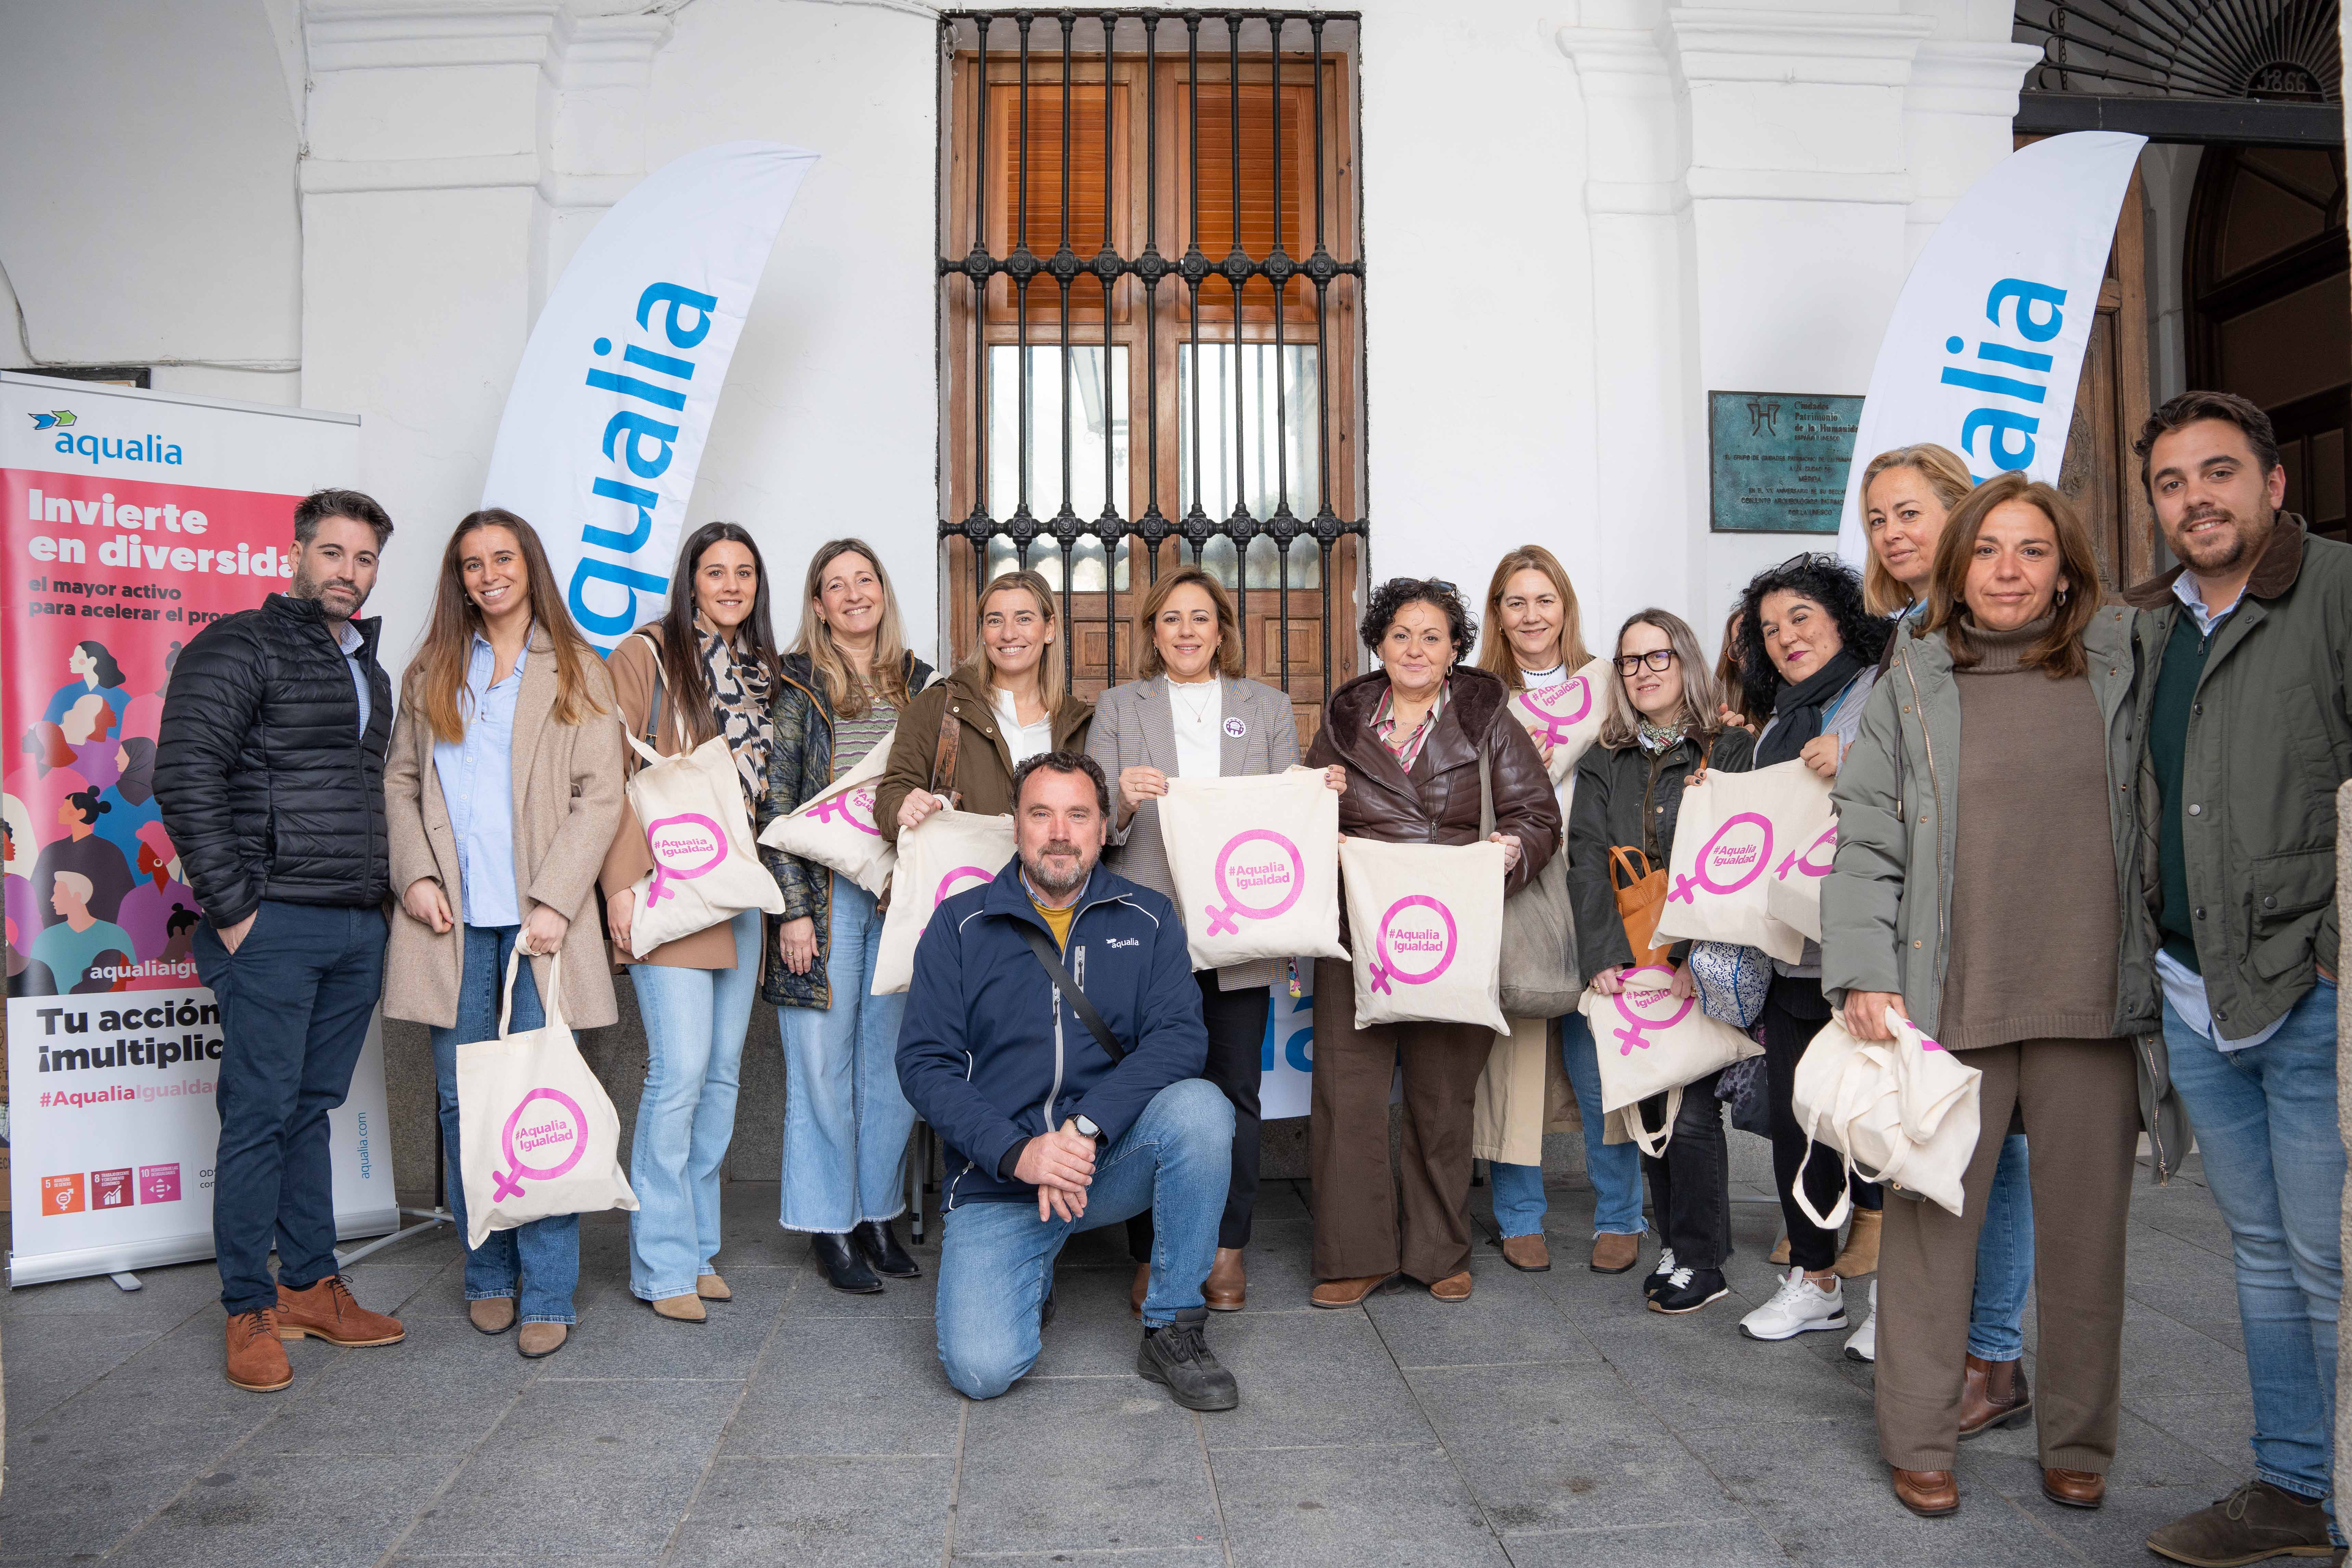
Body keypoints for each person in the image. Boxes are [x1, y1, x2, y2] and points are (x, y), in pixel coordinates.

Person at [1823, 471, 2172, 1519]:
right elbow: (1866, 838)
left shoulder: (2122, 662)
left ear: (2064, 566)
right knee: (1932, 1242)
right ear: (1954, 566)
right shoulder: (1913, 677)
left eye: (2029, 550)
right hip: (1950, 1000)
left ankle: (2077, 1438)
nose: (2006, 571)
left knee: (2082, 1245)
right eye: (1985, 551)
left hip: (2091, 1004)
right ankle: (1918, 1437)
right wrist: (1863, 971)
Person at [2122, 393, 2352, 1568]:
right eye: (2170, 481)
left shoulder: (2336, 592)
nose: (2194, 497)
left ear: (2271, 482)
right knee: (2260, 1250)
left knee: (2329, 1255)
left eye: (2218, 472)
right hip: (2191, 983)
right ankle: (2291, 1485)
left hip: (2308, 984)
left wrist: (2332, 956)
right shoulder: (2148, 623)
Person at [154, 487, 406, 1392]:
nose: (349, 571)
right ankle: (246, 1305)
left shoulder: (370, 673)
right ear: (298, 554)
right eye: (334, 553)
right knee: (259, 1112)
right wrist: (234, 908)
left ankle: (308, 1282)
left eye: (365, 558)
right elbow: (184, 772)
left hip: (352, 921)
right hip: (272, 920)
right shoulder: (239, 643)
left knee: (310, 1108)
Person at [897, 750, 1239, 1410]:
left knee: (1201, 1111)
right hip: (1000, 1178)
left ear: (1104, 826)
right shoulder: (959, 925)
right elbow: (923, 1063)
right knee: (981, 1369)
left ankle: (1172, 1323)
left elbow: (1180, 1037)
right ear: (1016, 826)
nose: (1059, 831)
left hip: (1101, 1161)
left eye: (1077, 814)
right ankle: (1032, 1269)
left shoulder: (1149, 917)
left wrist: (1085, 1128)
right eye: (1041, 814)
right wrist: (1018, 1151)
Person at [384, 509, 622, 1360]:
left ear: (530, 566)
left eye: (503, 558)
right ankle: (488, 1274)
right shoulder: (432, 671)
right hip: (451, 921)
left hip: (538, 925)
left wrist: (558, 897)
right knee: (461, 1100)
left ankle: (549, 1287)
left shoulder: (579, 671)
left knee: (537, 1106)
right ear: (458, 578)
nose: (488, 574)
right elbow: (403, 780)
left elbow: (603, 795)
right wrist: (413, 873)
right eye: (472, 563)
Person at [1088, 565, 1344, 1314]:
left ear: (1222, 628)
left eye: (1200, 617)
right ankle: (1153, 1251)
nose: (1187, 630)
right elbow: (1095, 828)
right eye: (1171, 618)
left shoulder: (1262, 706)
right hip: (1147, 934)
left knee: (1234, 1091)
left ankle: (1227, 1249)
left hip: (1241, 933)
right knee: (1147, 1093)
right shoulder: (1118, 707)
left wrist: (1312, 791)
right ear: (1153, 631)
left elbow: (1276, 807)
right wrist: (1121, 800)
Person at [1304, 578, 1560, 1307]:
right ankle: (1353, 1254)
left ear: (1455, 650)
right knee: (1346, 1100)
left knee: (1442, 1099)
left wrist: (1511, 853)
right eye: (1399, 635)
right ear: (1378, 645)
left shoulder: (1488, 720)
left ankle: (1437, 1250)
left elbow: (1537, 815)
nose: (1414, 648)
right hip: (1357, 933)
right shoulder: (1344, 722)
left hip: (1452, 931)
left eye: (1432, 636)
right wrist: (1317, 799)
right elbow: (1299, 819)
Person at [1859, 443, 2038, 1424]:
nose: (1892, 532)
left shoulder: (2000, 630)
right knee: (1947, 1136)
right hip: (1927, 928)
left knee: (1995, 1145)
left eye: (1909, 511)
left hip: (2001, 925)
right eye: (1878, 518)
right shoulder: (1906, 636)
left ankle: (1993, 1358)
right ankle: (1949, 1339)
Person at [599, 521, 783, 1324]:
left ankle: (700, 1246)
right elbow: (606, 771)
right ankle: (662, 1261)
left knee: (721, 1077)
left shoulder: (762, 670)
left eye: (745, 571)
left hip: (741, 890)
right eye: (716, 571)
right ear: (691, 580)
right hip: (670, 888)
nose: (732, 584)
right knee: (677, 1074)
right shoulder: (645, 653)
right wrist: (618, 887)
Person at [759, 539, 937, 1294]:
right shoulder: (795, 683)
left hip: (900, 899)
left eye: (865, 579)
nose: (854, 593)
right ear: (819, 604)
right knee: (821, 1072)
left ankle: (875, 1212)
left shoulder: (923, 685)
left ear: (882, 592)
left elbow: (943, 789)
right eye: (836, 584)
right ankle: (826, 1222)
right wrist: (791, 912)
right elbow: (777, 800)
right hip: (823, 905)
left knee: (891, 1069)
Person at [1723, 554, 1889, 1350]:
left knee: (1880, 1125)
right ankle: (1815, 1278)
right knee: (1803, 1120)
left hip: (1866, 950)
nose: (1786, 636)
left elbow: (1929, 788)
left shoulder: (1882, 690)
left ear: (1839, 616)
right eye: (1769, 627)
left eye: (1800, 617)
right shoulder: (1778, 720)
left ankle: (1898, 1303)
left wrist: (1855, 763)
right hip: (1792, 954)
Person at [1568, 610, 1754, 1314]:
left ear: (1686, 661)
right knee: (1651, 1093)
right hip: (1625, 948)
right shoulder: (1602, 756)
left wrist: (1690, 952)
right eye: (1629, 661)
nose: (1643, 671)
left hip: (1696, 947)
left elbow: (1732, 856)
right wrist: (1602, 954)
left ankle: (1702, 1259)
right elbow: (1584, 857)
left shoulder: (1729, 748)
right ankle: (1680, 1245)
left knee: (1694, 1108)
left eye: (1657, 657)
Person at [1469, 546, 1644, 1277]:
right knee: (1511, 1051)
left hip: (1594, 882)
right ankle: (1516, 1216)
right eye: (1515, 601)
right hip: (1515, 884)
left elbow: (1651, 745)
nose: (1531, 614)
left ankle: (1620, 1213)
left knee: (1601, 1053)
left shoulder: (1607, 682)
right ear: (1497, 615)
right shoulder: (1476, 696)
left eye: (1544, 599)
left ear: (1565, 607)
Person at [876, 569, 1092, 837]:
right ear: (984, 632)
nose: (1009, 634)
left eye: (1024, 619)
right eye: (995, 621)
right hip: (962, 876)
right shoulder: (935, 707)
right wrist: (902, 806)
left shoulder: (1081, 723)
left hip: (1055, 878)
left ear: (1049, 629)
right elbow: (890, 796)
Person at [31, 788, 133, 930]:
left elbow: (124, 894)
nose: (60, 810)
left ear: (81, 813)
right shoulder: (52, 850)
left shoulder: (110, 851)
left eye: (65, 807)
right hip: (56, 931)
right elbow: (37, 891)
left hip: (102, 931)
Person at [27, 869, 133, 993]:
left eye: (58, 894)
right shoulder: (45, 939)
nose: (52, 899)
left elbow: (132, 980)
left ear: (77, 896)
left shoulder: (118, 935)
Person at [116, 821, 195, 965]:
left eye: (143, 856)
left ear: (158, 860)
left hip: (184, 970)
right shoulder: (132, 898)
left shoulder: (188, 894)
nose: (138, 861)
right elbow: (123, 945)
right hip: (141, 971)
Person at [42, 640, 130, 729]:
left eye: (77, 657)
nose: (71, 659)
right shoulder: (64, 694)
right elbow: (48, 729)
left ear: (92, 661)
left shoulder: (121, 697)